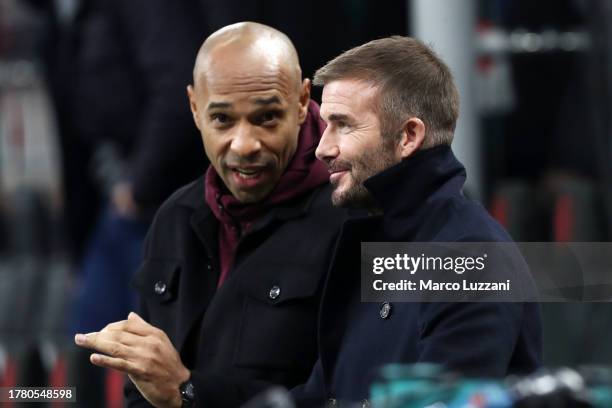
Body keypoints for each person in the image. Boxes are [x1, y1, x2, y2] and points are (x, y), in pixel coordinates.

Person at [74, 22, 346, 408]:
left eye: (266, 117)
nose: (244, 144)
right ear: (194, 108)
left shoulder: (357, 219)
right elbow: (144, 391)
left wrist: (187, 390)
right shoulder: (173, 220)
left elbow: (357, 393)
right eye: (222, 119)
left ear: (302, 101)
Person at [292, 36, 542, 406]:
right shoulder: (380, 240)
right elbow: (321, 394)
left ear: (409, 136)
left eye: (342, 125)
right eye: (325, 125)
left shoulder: (472, 261)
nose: (322, 148)